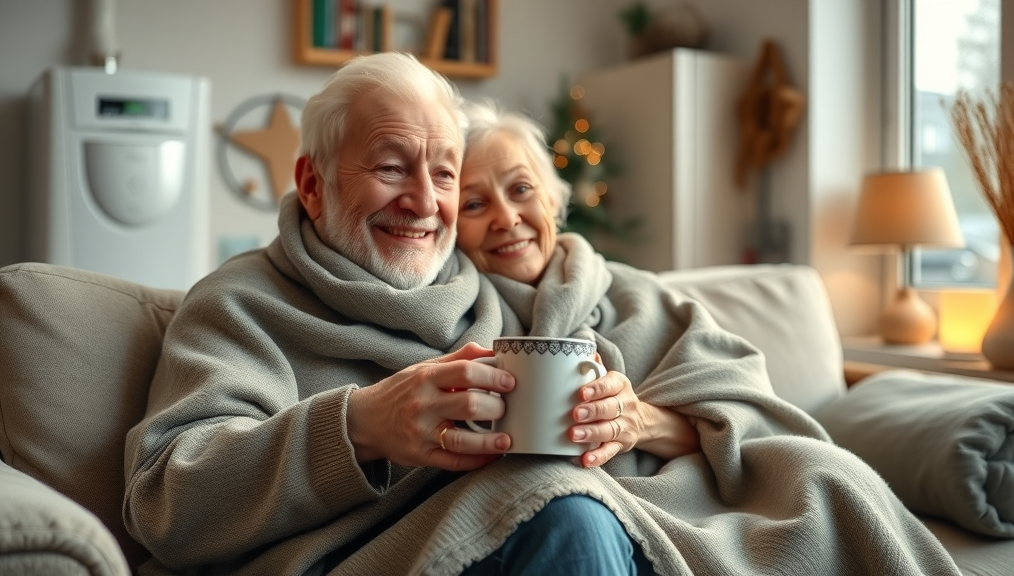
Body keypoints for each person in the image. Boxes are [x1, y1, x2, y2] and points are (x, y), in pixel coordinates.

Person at [123, 52, 653, 576]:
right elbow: (164, 502)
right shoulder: (239, 304)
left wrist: (626, 420)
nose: (424, 202)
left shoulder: (499, 296)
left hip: (533, 537)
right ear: (311, 185)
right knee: (571, 518)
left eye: (445, 175)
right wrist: (359, 427)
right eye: (391, 168)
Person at [453, 98, 964, 575]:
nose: (506, 217)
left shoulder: (639, 296)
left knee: (825, 471)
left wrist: (643, 422)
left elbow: (750, 412)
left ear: (553, 200)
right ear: (450, 226)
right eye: (474, 205)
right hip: (579, 510)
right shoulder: (452, 318)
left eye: (521, 189)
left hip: (690, 495)